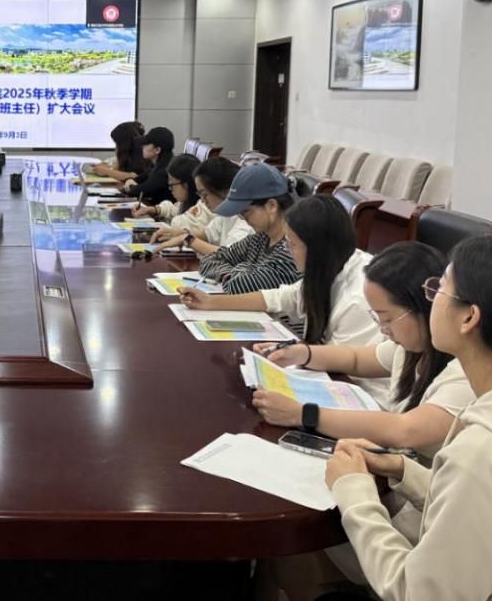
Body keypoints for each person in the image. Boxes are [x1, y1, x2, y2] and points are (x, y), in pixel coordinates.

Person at [325, 233, 492, 601]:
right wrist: (404, 470)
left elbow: (420, 593)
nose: (431, 296)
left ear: (469, 317)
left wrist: (354, 492)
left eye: (440, 287)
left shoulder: (484, 452)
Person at [253, 242, 473, 454]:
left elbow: (404, 431)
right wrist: (302, 353)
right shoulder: (411, 349)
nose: (383, 329)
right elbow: (355, 358)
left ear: (423, 306)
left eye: (387, 318)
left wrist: (302, 414)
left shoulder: (465, 375)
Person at [182, 194, 385, 400]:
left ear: (316, 247)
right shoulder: (330, 265)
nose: (288, 251)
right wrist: (211, 302)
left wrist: (297, 355)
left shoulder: (358, 298)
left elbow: (341, 368)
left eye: (292, 245)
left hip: (366, 396)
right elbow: (279, 297)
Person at [178, 162, 299, 294]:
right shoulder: (259, 240)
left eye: (246, 211)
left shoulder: (292, 249)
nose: (242, 218)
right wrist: (236, 273)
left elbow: (240, 285)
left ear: (271, 206)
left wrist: (242, 269)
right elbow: (208, 260)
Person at [149, 156, 253, 255]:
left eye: (205, 194)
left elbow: (230, 255)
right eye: (200, 195)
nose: (203, 200)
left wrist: (188, 239)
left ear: (225, 192)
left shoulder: (247, 221)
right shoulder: (227, 214)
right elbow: (207, 234)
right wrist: (179, 233)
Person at [120, 126, 174, 204]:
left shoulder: (165, 170)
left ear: (157, 150)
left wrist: (130, 186)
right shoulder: (158, 165)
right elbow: (139, 179)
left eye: (146, 144)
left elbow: (141, 191)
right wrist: (131, 181)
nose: (142, 146)